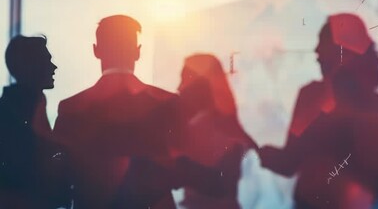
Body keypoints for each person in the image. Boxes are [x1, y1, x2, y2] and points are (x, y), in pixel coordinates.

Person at [53, 15, 222, 209]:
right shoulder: (167, 103)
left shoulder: (71, 107)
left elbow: (60, 176)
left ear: (96, 51)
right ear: (137, 52)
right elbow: (183, 166)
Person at [259, 14, 378, 209]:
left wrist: (255, 149)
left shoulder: (311, 99)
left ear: (342, 53)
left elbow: (288, 164)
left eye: (323, 44)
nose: (316, 51)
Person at [174, 54, 257, 209]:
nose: (179, 87)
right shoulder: (231, 128)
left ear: (199, 84)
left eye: (184, 79)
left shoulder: (198, 127)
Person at [0, 35, 69, 208]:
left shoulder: (25, 108)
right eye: (47, 61)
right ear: (30, 67)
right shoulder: (17, 117)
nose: (54, 67)